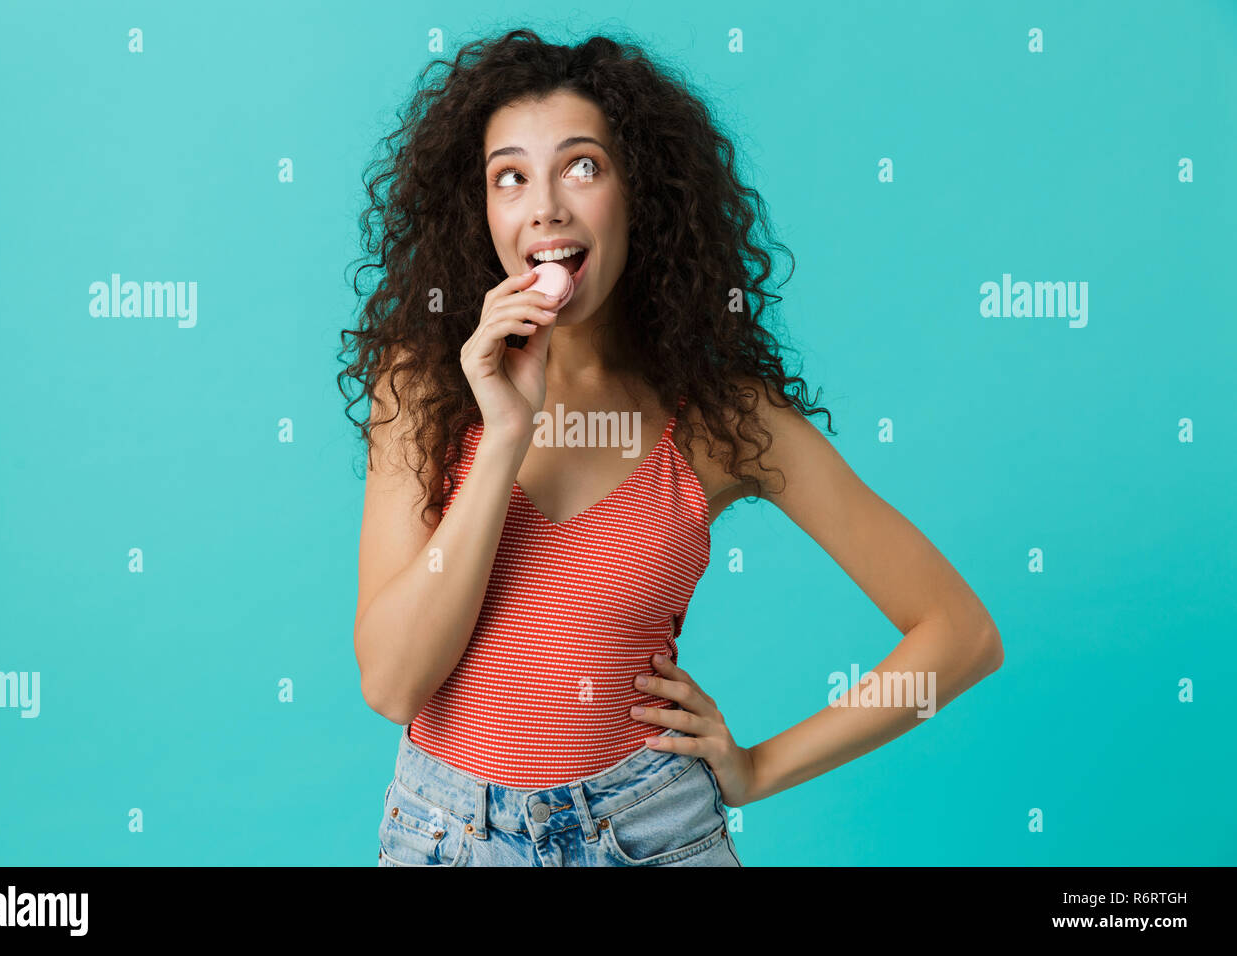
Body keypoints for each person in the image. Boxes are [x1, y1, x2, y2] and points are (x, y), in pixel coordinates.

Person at [339, 29, 1003, 867]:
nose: (544, 206)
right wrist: (504, 433)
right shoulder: (425, 386)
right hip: (447, 835)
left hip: (649, 834)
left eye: (582, 167)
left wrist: (758, 768)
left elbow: (961, 634)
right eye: (510, 177)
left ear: (639, 192)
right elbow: (393, 684)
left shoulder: (719, 419)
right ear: (482, 210)